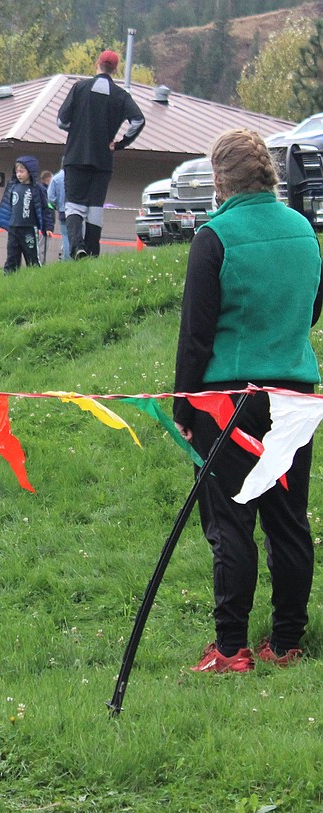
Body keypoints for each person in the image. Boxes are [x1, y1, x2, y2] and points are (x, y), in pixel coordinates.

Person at [173, 129, 323, 673]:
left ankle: (232, 646)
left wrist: (183, 408)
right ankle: (286, 643)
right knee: (288, 522)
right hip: (293, 396)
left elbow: (196, 335)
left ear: (219, 181)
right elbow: (310, 309)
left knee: (231, 521)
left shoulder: (215, 236)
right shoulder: (304, 230)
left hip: (228, 402)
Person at [56, 49, 145, 259]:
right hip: (102, 160)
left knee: (74, 204)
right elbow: (138, 121)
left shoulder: (79, 88)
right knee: (95, 206)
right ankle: (93, 252)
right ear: (115, 69)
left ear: (97, 63)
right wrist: (121, 143)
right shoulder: (121, 96)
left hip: (76, 156)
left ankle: (77, 247)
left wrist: (77, 129)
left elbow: (61, 121)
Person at [0, 156, 47, 275]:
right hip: (13, 228)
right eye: (17, 171)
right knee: (12, 256)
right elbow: (6, 205)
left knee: (32, 256)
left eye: (22, 171)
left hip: (29, 228)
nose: (19, 174)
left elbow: (44, 209)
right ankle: (9, 277)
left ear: (30, 172)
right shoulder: (12, 186)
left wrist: (48, 226)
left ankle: (35, 277)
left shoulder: (37, 189)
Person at [47, 166, 69, 260]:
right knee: (78, 236)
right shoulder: (78, 176)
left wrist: (58, 206)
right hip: (77, 211)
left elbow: (50, 197)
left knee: (65, 237)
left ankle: (67, 260)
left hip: (63, 211)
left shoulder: (56, 178)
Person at [37, 169, 55, 265]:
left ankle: (40, 263)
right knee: (41, 246)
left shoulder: (46, 192)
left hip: (47, 224)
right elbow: (46, 209)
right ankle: (39, 265)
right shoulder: (44, 192)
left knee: (44, 246)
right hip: (44, 225)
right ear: (47, 179)